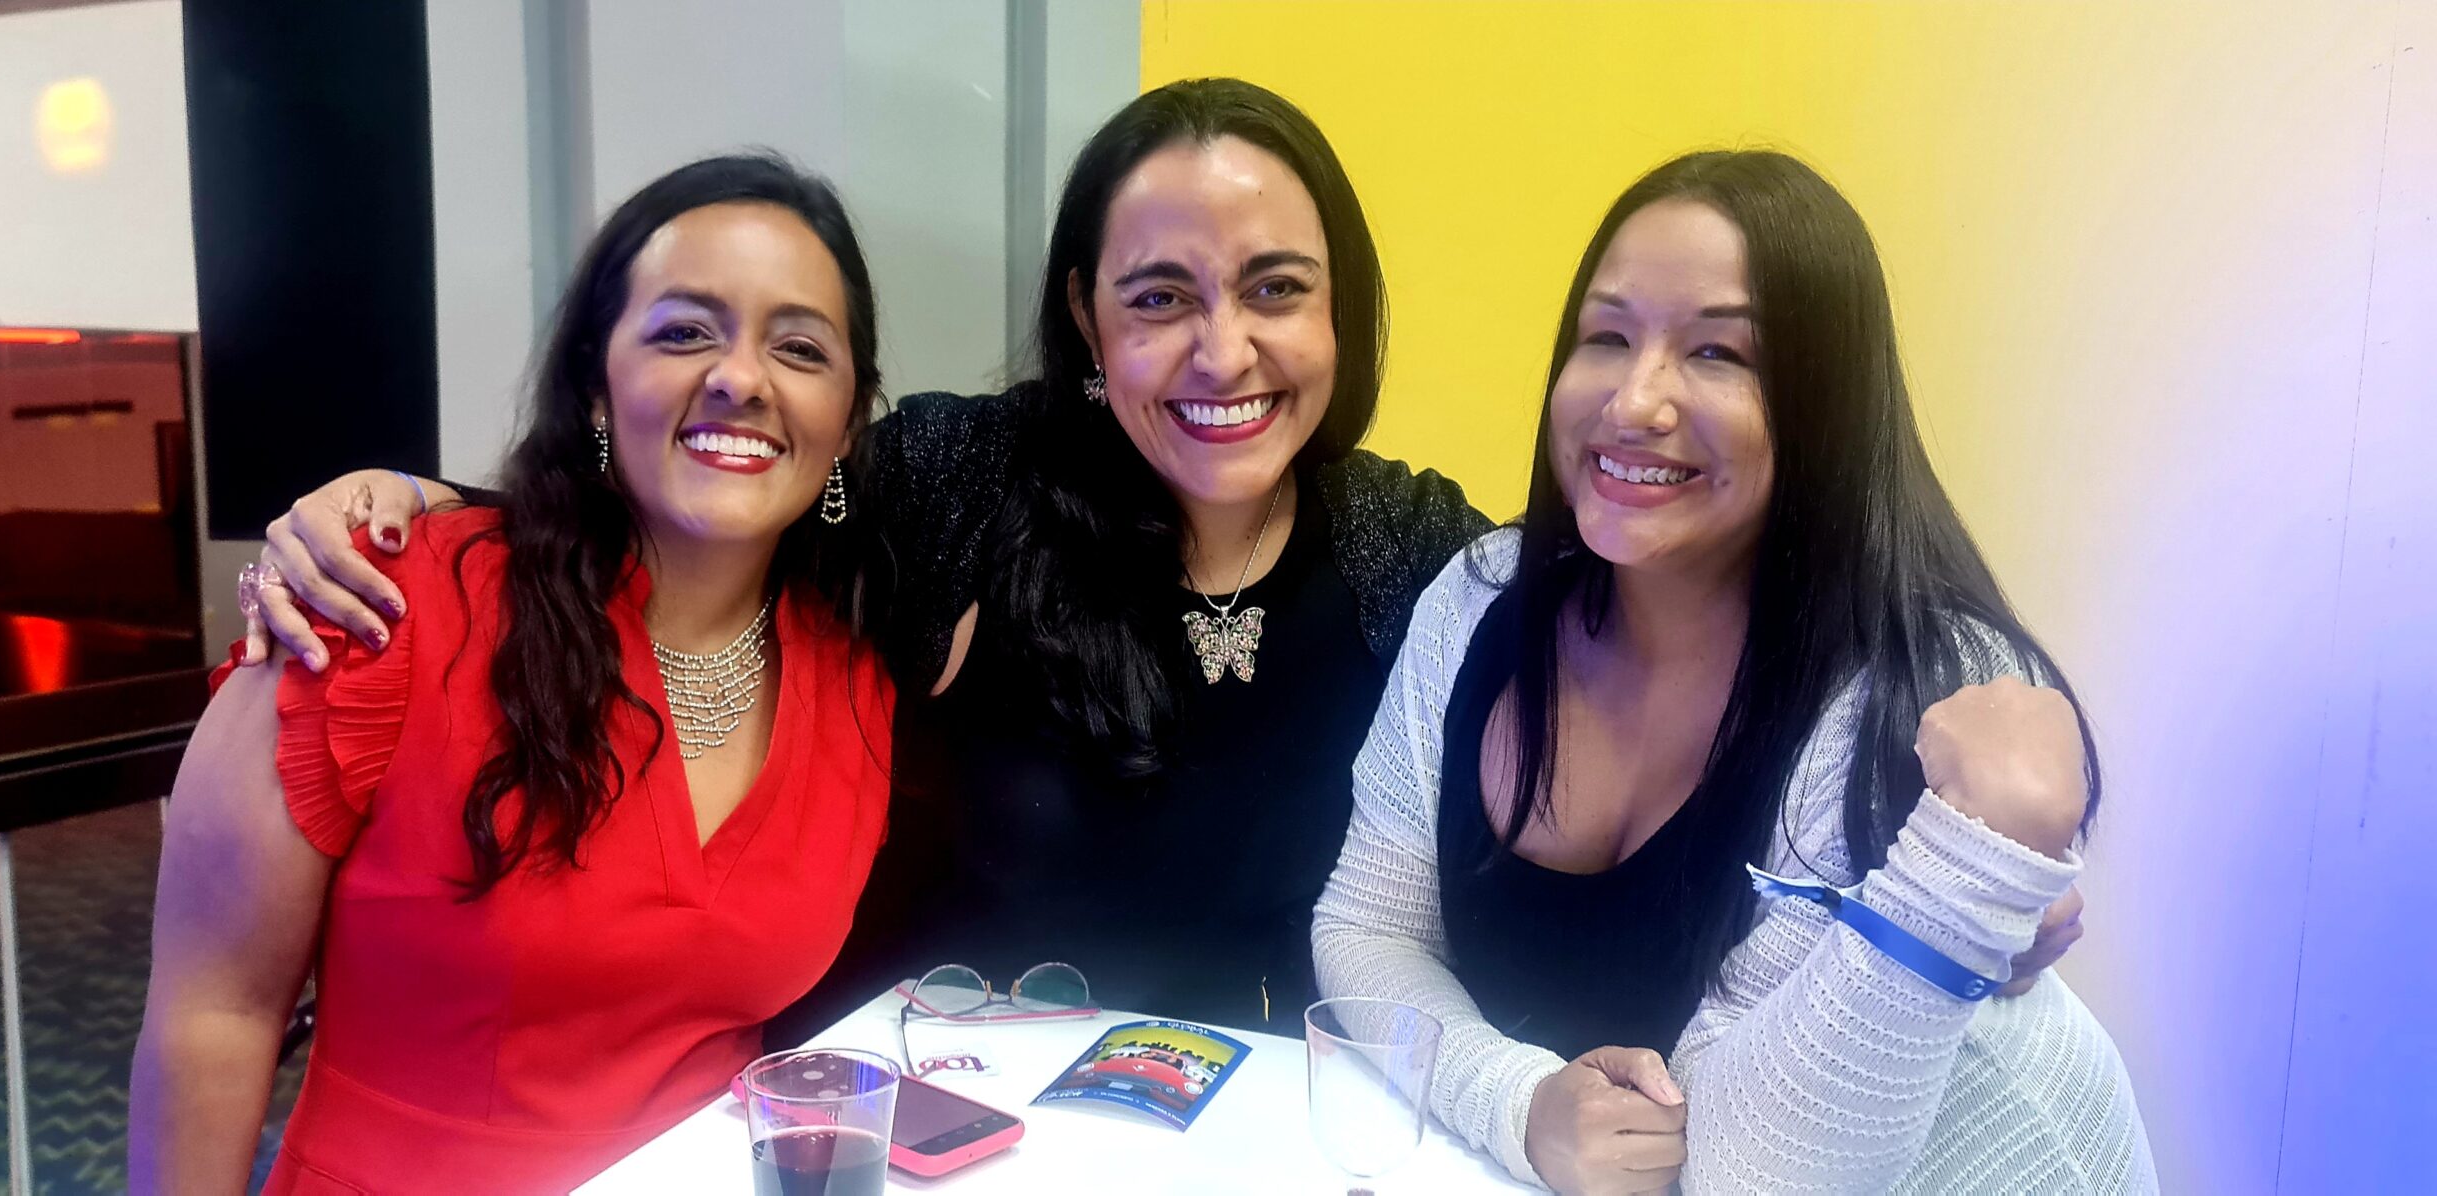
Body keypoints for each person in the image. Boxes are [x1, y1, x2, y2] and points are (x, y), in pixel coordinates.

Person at [240, 78, 1493, 1038]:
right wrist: (422, 504)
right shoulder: (966, 479)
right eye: (1158, 297)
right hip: (915, 1124)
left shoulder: (1407, 545)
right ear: (1084, 315)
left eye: (1275, 289)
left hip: (1229, 1126)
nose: (1222, 352)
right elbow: (710, 493)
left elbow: (1585, 637)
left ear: (1338, 305)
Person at [1312, 149, 2153, 1193]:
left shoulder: (1914, 689)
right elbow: (1370, 925)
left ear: (1825, 402)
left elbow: (1755, 1170)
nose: (1635, 399)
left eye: (1718, 352)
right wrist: (1520, 1103)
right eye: (1607, 336)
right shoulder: (1483, 596)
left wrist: (1969, 870)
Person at [129, 155, 896, 1194]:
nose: (741, 379)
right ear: (595, 385)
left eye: (798, 347)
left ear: (848, 423)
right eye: (684, 332)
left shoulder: (855, 677)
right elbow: (211, 1016)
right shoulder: (377, 607)